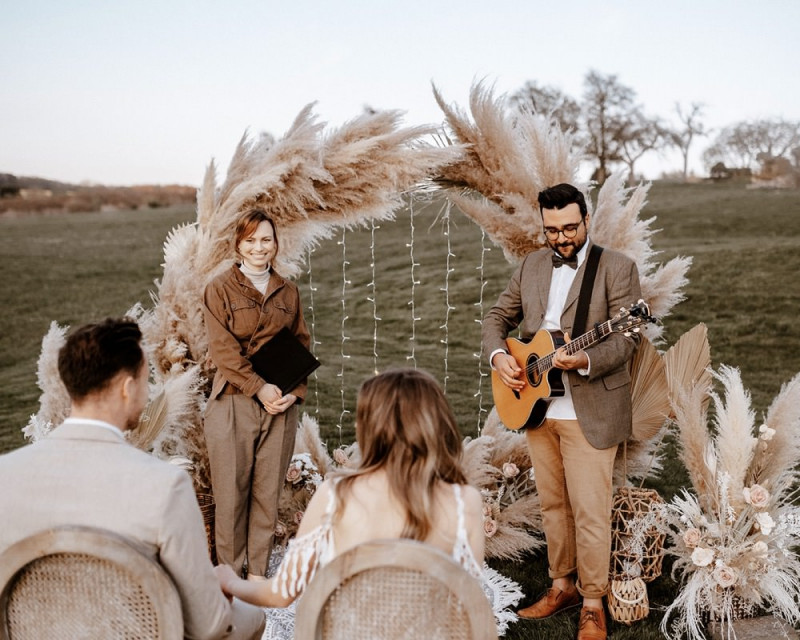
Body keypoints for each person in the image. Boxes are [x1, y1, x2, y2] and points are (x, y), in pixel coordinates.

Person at [0, 318, 265, 640]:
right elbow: (207, 626)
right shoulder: (164, 486)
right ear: (127, 388)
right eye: (145, 379)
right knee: (250, 617)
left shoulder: (5, 475)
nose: (148, 390)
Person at [214, 368, 486, 637]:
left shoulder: (336, 495)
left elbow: (282, 593)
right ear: (437, 425)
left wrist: (230, 581)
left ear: (370, 428)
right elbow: (468, 602)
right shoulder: (465, 503)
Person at [482, 183, 642, 640]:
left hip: (589, 408)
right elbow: (497, 318)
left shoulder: (617, 268)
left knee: (590, 510)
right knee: (553, 504)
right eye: (552, 230)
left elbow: (625, 339)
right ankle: (561, 586)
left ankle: (593, 603)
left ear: (587, 220)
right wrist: (501, 358)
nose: (561, 238)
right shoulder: (532, 264)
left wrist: (586, 360)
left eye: (570, 227)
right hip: (537, 406)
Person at [203, 207, 311, 582]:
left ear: (276, 244)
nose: (258, 248)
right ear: (238, 244)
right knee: (231, 496)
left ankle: (259, 576)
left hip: (280, 404)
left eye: (266, 240)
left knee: (267, 493)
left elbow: (301, 344)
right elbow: (223, 352)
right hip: (234, 401)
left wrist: (293, 393)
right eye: (250, 240)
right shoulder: (219, 289)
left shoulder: (288, 291)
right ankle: (230, 580)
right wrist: (258, 387)